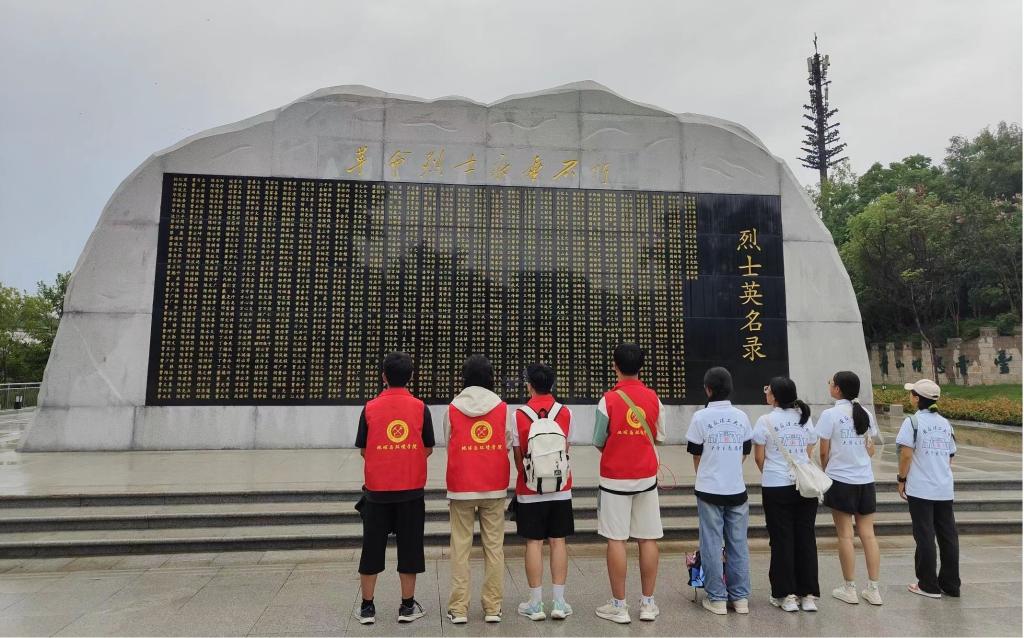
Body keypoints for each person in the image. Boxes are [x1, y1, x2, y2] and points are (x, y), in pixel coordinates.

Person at [353, 352, 434, 625]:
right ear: (411, 376)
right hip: (411, 491)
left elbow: (364, 449)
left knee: (371, 547)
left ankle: (367, 608)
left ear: (384, 376)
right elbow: (428, 448)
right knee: (410, 548)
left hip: (376, 492)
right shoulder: (421, 408)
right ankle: (407, 606)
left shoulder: (370, 408)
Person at [592, 343, 666, 624]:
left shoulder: (608, 400)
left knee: (617, 539)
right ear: (641, 367)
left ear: (615, 365)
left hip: (614, 478)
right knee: (647, 538)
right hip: (646, 477)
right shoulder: (653, 398)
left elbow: (598, 440)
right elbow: (659, 436)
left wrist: (617, 448)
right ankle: (647, 604)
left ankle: (619, 606)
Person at [443, 354, 511, 624]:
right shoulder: (502, 408)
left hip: (461, 486)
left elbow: (448, 441)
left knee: (460, 547)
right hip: (493, 485)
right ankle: (493, 607)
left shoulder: (452, 408)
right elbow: (507, 442)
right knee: (494, 547)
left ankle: (459, 608)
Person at [685, 366, 753, 615]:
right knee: (738, 543)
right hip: (736, 488)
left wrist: (706, 474)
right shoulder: (742, 417)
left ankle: (717, 598)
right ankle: (740, 598)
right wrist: (730, 469)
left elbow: (696, 454)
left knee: (711, 544)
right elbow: (745, 451)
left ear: (708, 390)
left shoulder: (700, 418)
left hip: (709, 489)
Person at [512, 363, 575, 621]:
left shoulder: (519, 414)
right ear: (552, 384)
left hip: (530, 489)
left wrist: (528, 474)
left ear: (529, 385)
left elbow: (518, 456)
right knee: (558, 541)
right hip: (561, 488)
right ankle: (559, 602)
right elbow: (566, 450)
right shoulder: (565, 412)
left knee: (534, 543)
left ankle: (536, 604)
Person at [752, 376, 820, 613]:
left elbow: (759, 457)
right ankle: (808, 595)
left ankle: (785, 595)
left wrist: (773, 473)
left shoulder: (765, 420)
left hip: (776, 486)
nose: (766, 393)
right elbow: (808, 452)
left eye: (768, 390)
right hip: (805, 486)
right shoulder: (804, 418)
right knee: (806, 538)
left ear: (775, 396)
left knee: (781, 539)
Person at [817, 370, 883, 606]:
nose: (830, 385)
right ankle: (874, 589)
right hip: (865, 480)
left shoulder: (830, 415)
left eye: (831, 383)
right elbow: (870, 447)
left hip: (841, 480)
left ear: (837, 389)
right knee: (868, 534)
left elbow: (823, 451)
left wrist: (826, 471)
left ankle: (850, 588)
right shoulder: (865, 413)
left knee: (845, 534)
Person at [896, 378, 960, 599]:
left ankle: (928, 585)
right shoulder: (945, 424)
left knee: (924, 535)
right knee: (948, 536)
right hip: (944, 488)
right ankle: (951, 585)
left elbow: (906, 455)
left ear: (916, 398)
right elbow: (950, 456)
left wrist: (901, 479)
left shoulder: (912, 422)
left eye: (911, 393)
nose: (910, 396)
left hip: (921, 489)